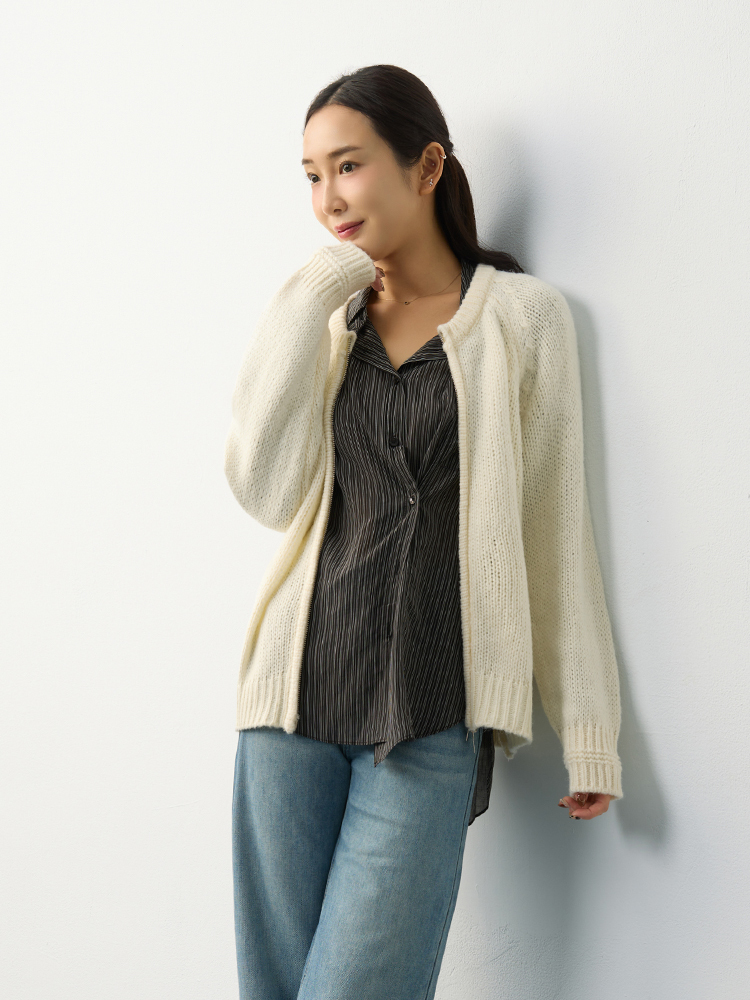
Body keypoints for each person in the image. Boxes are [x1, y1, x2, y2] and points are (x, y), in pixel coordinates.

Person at [224, 64, 623, 1000]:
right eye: (312, 176)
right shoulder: (327, 322)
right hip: (290, 708)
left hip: (431, 710)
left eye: (349, 165)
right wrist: (319, 288)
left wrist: (588, 728)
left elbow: (555, 533)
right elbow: (262, 487)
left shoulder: (524, 320)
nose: (329, 198)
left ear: (428, 166)